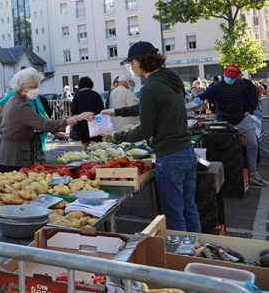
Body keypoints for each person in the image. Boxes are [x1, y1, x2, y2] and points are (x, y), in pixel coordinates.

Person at [102, 41, 200, 232]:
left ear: (140, 61)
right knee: (190, 208)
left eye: (131, 63)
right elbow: (147, 106)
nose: (131, 67)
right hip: (187, 152)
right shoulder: (171, 79)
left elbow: (144, 130)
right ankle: (196, 248)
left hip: (170, 156)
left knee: (174, 215)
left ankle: (180, 256)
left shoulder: (149, 87)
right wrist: (115, 112)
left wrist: (116, 134)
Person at [0, 69, 93, 172]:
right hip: (14, 157)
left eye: (37, 86)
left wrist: (12, 132)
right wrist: (76, 118)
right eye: (34, 87)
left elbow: (0, 125)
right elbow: (45, 124)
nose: (37, 90)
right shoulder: (21, 106)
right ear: (24, 88)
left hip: (6, 153)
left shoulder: (12, 100)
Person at [195, 65, 268, 186]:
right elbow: (206, 94)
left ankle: (253, 173)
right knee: (222, 147)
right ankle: (224, 174)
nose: (230, 79)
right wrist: (199, 98)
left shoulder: (241, 85)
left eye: (232, 77)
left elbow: (247, 99)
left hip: (241, 119)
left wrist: (253, 110)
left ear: (237, 76)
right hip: (223, 121)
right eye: (228, 76)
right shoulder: (217, 87)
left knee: (253, 144)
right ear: (224, 74)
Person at [71, 77, 105, 151]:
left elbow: (74, 110)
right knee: (96, 144)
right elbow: (102, 110)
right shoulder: (96, 94)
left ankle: (84, 160)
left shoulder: (77, 95)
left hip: (82, 123)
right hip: (95, 122)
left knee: (84, 144)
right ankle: (96, 161)